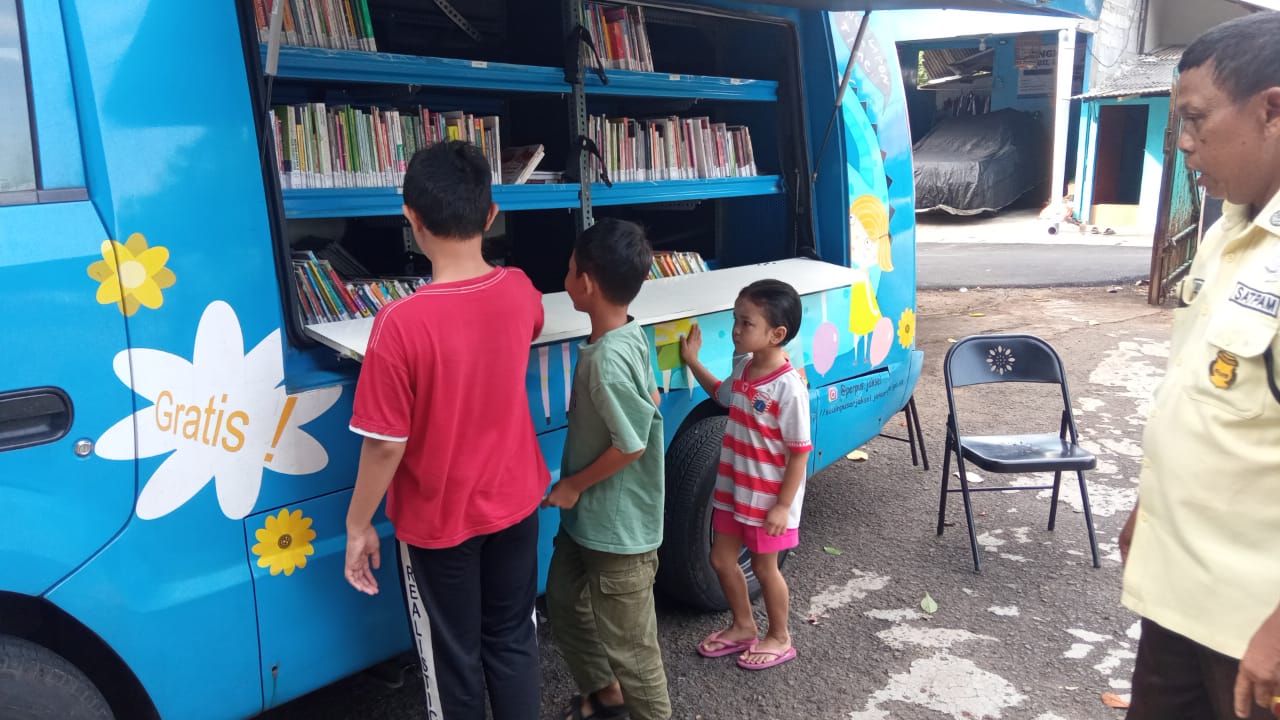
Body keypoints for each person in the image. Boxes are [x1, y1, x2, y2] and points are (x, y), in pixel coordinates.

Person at [342, 140, 549, 720]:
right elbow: (529, 327)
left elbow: (386, 443)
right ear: (491, 214)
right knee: (513, 638)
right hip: (516, 502)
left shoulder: (399, 323)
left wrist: (358, 525)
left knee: (452, 659)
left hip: (439, 522)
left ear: (410, 218)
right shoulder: (520, 289)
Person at [1117, 12, 1280, 720]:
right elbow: (1203, 397)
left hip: (1256, 628)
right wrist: (1149, 508)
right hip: (1180, 596)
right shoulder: (1227, 232)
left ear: (1271, 110)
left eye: (1196, 119)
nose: (1183, 142)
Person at [543, 218, 671, 720]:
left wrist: (573, 485)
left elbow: (632, 445)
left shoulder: (606, 361)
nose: (565, 278)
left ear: (587, 283)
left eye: (569, 270)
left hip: (618, 531)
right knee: (563, 600)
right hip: (589, 521)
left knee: (634, 651)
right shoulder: (627, 331)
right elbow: (652, 398)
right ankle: (606, 691)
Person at [680, 279, 811, 671]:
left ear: (777, 334)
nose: (736, 330)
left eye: (746, 323)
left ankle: (780, 637)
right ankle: (742, 626)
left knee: (765, 568)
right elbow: (721, 394)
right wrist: (692, 361)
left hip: (768, 500)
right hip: (733, 490)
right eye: (735, 320)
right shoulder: (744, 367)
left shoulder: (788, 387)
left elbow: (799, 453)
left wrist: (782, 506)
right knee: (721, 559)